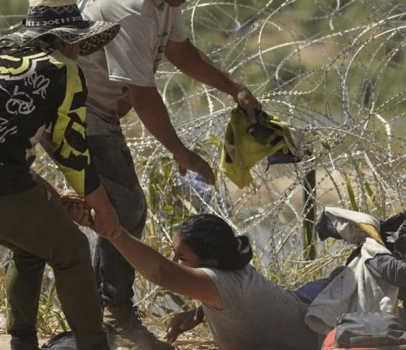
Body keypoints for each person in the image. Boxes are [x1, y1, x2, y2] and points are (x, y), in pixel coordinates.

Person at [0, 1, 122, 349]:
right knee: (72, 250)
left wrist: (56, 197)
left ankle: (22, 342)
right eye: (77, 43)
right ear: (68, 42)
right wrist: (105, 213)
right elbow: (72, 151)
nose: (78, 51)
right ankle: (94, 344)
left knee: (31, 247)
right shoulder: (62, 68)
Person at [70, 0, 262, 348]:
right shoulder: (126, 7)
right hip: (78, 111)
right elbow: (143, 96)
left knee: (115, 206)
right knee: (125, 207)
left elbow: (180, 51)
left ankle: (99, 311)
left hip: (99, 114)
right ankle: (114, 314)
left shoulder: (164, 4)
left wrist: (233, 87)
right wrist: (181, 152)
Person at [91, 213, 406, 349]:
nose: (176, 262)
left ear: (207, 261)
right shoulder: (224, 280)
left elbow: (156, 271)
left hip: (334, 336)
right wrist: (193, 314)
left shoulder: (221, 282)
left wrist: (110, 230)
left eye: (183, 256)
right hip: (322, 320)